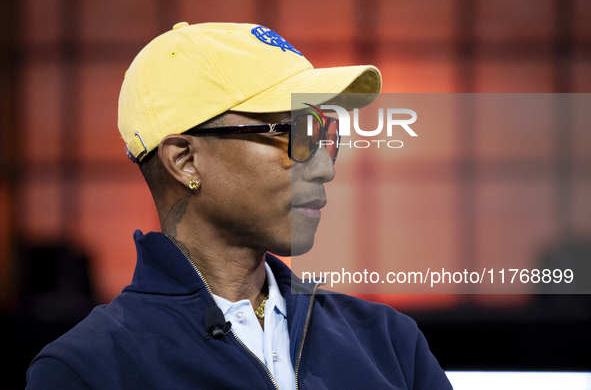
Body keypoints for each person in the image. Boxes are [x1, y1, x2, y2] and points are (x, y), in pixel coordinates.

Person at [26, 22, 452, 389]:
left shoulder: (390, 343)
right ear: (185, 160)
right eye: (295, 133)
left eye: (326, 135)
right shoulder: (87, 370)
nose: (324, 166)